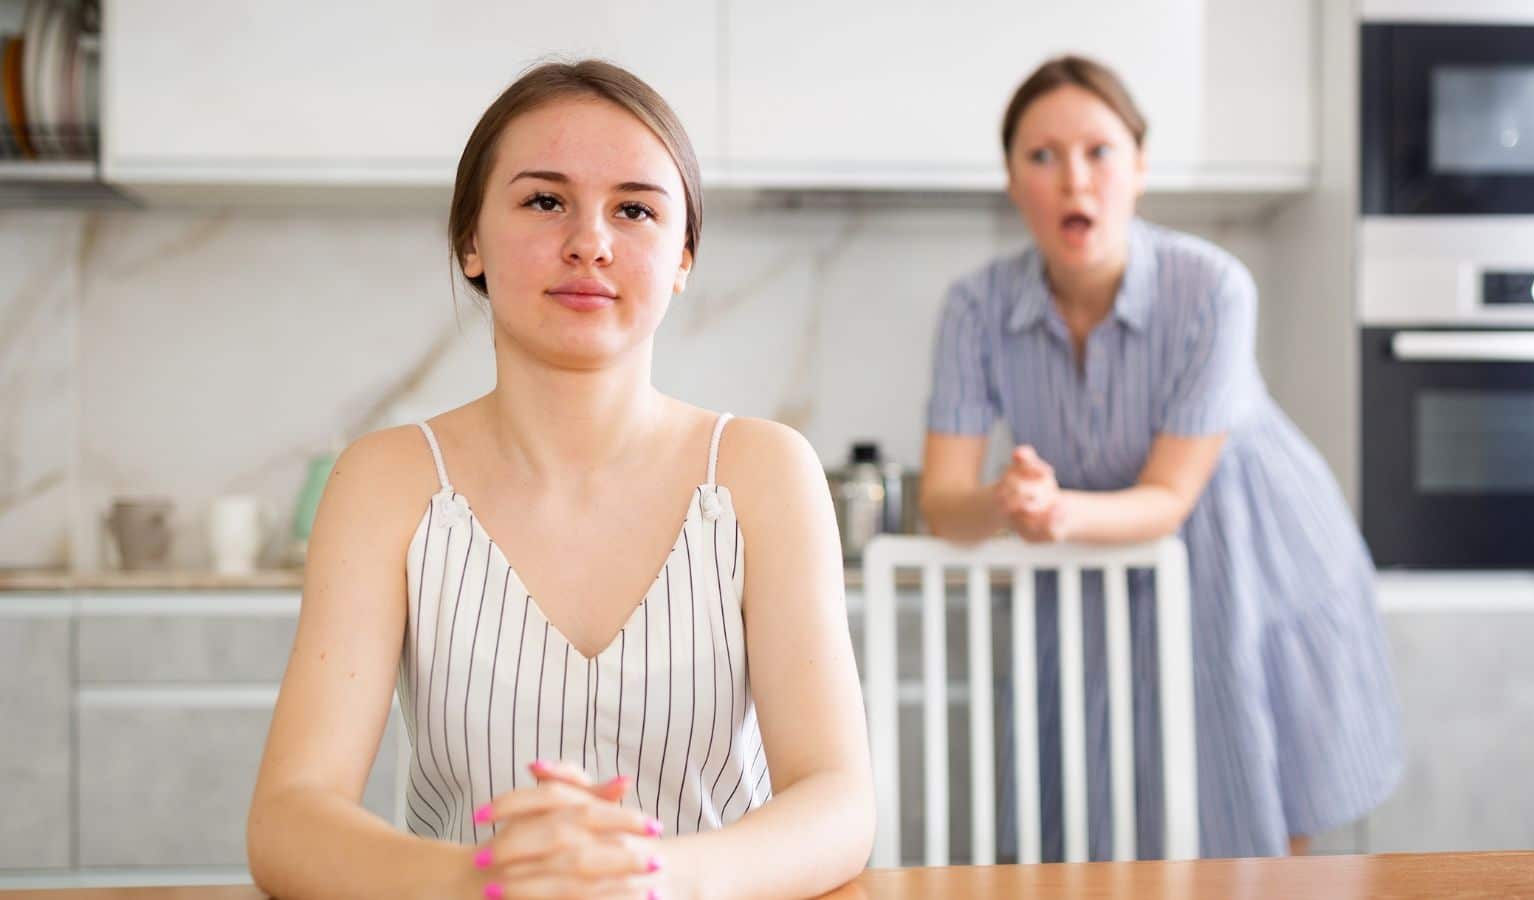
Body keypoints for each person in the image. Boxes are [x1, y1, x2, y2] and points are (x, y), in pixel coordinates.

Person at [248, 60, 874, 900]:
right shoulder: (385, 483)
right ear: (471, 238)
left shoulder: (765, 473)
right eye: (545, 201)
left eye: (635, 209)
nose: (590, 241)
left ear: (683, 255)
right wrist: (489, 883)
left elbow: (838, 803)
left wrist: (650, 878)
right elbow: (290, 817)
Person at [919, 54, 1403, 859]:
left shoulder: (1213, 289)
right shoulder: (976, 309)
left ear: (1141, 165)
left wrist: (1058, 512)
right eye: (1042, 156)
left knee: (1254, 811)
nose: (1074, 179)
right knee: (1087, 817)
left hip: (1245, 553)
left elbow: (1170, 498)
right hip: (1084, 568)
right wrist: (1008, 500)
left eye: (1100, 151)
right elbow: (943, 502)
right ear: (1011, 180)